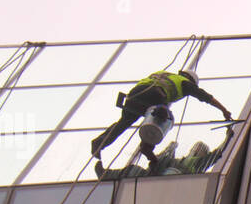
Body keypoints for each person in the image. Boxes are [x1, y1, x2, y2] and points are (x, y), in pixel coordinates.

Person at [91, 69, 232, 164]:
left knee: (123, 124)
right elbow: (205, 96)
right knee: (165, 116)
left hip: (134, 95)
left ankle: (99, 143)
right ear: (190, 80)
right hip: (155, 95)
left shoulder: (165, 74)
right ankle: (147, 147)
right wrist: (223, 110)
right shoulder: (185, 83)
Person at [93, 139, 216, 181]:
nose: (196, 149)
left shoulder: (199, 164)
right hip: (158, 175)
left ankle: (107, 175)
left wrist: (228, 137)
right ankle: (105, 174)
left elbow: (216, 154)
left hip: (178, 180)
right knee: (133, 169)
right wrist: (171, 148)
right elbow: (163, 161)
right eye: (195, 147)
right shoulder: (179, 160)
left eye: (200, 149)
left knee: (134, 171)